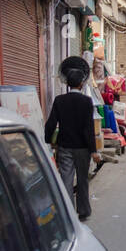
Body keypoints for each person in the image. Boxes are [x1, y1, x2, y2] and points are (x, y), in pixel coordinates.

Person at [45, 63, 103, 220]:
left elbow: (51, 123)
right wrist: (93, 150)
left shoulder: (59, 100)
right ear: (81, 84)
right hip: (83, 148)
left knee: (66, 179)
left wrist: (47, 141)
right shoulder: (86, 101)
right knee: (83, 179)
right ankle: (83, 211)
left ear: (68, 84)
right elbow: (89, 129)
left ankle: (68, 213)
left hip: (65, 146)